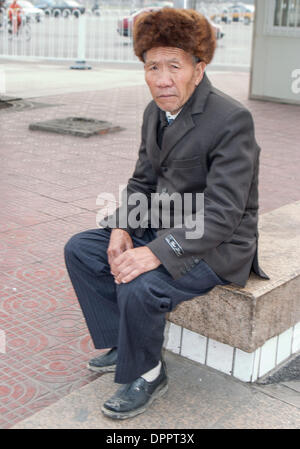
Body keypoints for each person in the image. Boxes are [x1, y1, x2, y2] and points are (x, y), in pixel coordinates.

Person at [64, 8, 269, 420]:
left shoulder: (231, 119)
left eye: (174, 65)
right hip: (166, 223)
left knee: (140, 283)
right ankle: (124, 341)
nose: (161, 79)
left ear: (199, 67)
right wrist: (122, 226)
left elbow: (223, 211)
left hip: (218, 244)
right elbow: (142, 180)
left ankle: (149, 373)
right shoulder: (154, 112)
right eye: (152, 66)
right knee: (83, 249)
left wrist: (155, 251)